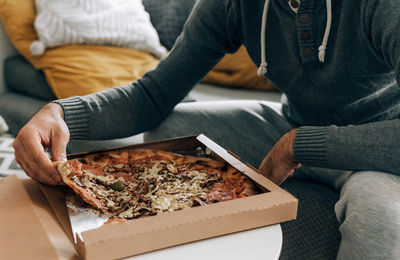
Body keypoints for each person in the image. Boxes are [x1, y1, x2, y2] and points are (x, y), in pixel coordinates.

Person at [13, 0, 400, 258]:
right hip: (290, 121)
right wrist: (60, 113)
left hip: (377, 144)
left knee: (380, 225)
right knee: (175, 128)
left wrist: (298, 145)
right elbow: (153, 95)